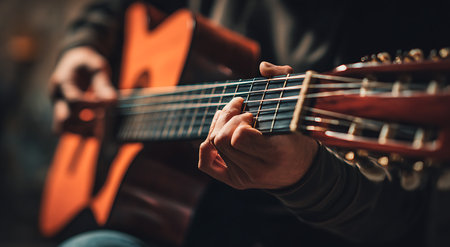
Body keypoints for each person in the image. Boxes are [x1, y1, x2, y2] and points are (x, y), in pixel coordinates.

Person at [50, 0, 450, 246]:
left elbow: (407, 217)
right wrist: (84, 43)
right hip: (164, 219)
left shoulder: (409, 15)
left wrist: (305, 176)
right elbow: (120, 7)